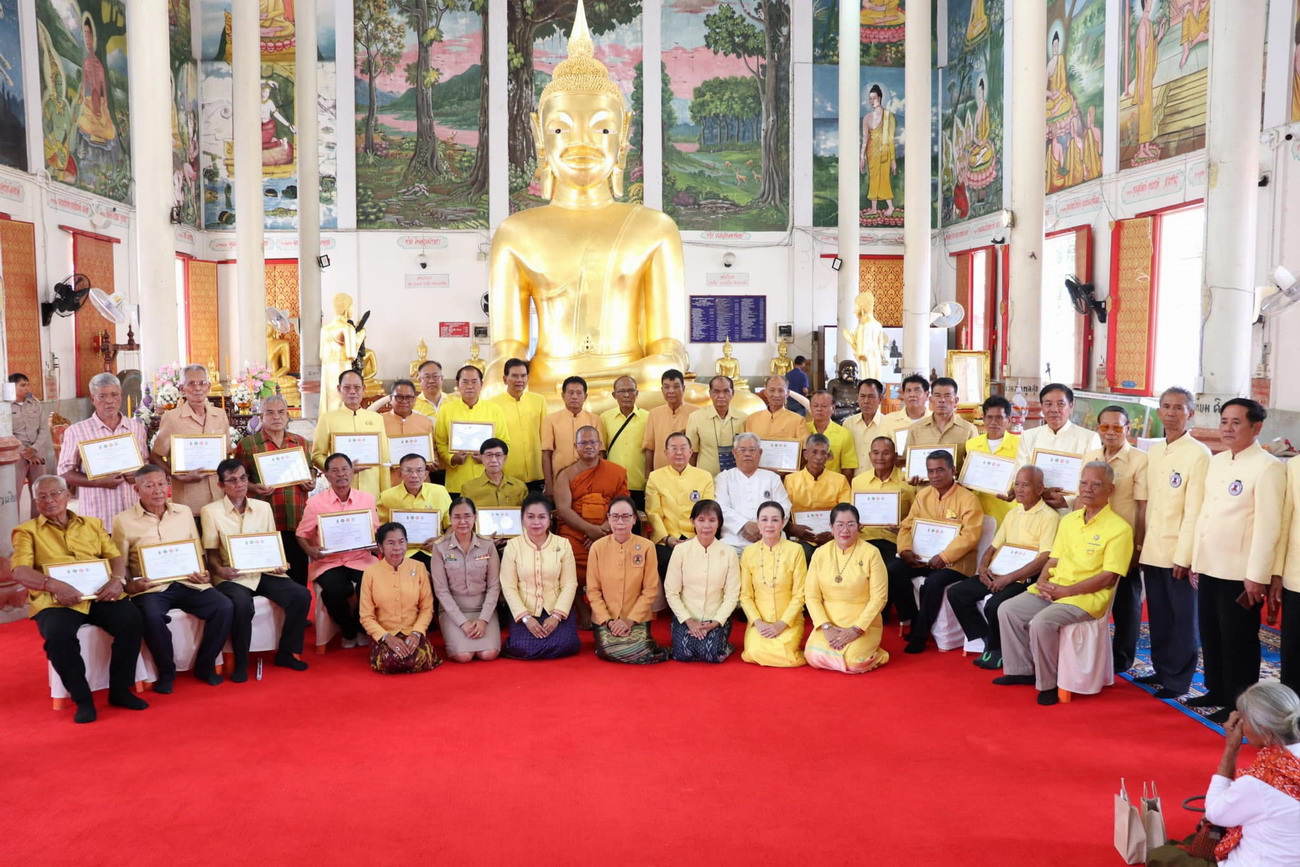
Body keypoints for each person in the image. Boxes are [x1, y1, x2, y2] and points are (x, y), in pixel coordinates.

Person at [994, 462, 1134, 706]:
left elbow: (1108, 577)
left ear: (1110, 490)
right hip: (1054, 589)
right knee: (1008, 609)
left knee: (1042, 622)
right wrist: (1042, 581)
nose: (1087, 489)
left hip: (1085, 597)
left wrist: (1066, 591)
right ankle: (1023, 670)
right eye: (1083, 483)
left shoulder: (1119, 529)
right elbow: (1053, 559)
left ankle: (1048, 682)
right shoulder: (1069, 521)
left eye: (1096, 484)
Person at [11, 475, 147, 723]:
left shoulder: (92, 524)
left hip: (98, 592)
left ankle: (120, 690)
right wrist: (52, 584)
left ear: (68, 495)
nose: (49, 500)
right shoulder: (26, 532)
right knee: (58, 636)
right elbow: (19, 570)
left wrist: (117, 579)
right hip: (55, 600)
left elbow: (114, 556)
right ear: (35, 501)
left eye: (54, 494)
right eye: (42, 497)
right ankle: (82, 698)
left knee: (131, 619)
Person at [1190, 399, 1286, 723]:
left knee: (1239, 641)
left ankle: (1240, 704)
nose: (1227, 429)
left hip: (1240, 571)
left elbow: (1268, 526)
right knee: (1212, 633)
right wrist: (1195, 559)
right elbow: (1205, 514)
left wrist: (1256, 575)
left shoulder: (1268, 466)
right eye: (1224, 421)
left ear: (1256, 428)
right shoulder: (1218, 462)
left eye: (1235, 423)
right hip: (1210, 563)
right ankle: (1216, 689)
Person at [117, 465, 233, 692]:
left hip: (187, 581)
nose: (158, 490)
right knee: (150, 615)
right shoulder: (123, 521)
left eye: (161, 484)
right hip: (151, 587)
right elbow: (119, 563)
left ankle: (205, 665)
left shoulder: (184, 512)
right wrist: (131, 587)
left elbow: (197, 551)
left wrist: (203, 573)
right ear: (136, 489)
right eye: (149, 486)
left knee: (224, 606)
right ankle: (167, 671)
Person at [200, 459, 310, 681]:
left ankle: (286, 652)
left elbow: (270, 544)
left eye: (243, 478)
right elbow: (210, 553)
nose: (239, 484)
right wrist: (221, 571)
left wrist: (279, 563)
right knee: (241, 604)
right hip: (232, 576)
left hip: (263, 572)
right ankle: (242, 662)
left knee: (301, 594)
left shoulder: (263, 507)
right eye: (232, 480)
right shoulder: (210, 511)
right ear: (220, 485)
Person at [949, 466, 1060, 670]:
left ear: (1039, 488)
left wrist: (1008, 579)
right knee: (957, 593)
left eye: (1025, 485)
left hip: (1026, 577)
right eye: (1016, 484)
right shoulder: (1013, 513)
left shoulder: (1050, 517)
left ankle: (997, 649)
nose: (1019, 489)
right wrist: (982, 568)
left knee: (995, 605)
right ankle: (988, 640)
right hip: (999, 572)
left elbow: (1045, 557)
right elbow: (993, 546)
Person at [1140, 387, 1211, 698]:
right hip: (1153, 548)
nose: (1171, 413)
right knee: (1159, 614)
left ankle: (1179, 679)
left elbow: (1195, 511)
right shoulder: (1154, 450)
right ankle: (1161, 668)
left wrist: (1185, 556)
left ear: (1190, 414)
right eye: (1165, 406)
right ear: (1158, 412)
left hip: (1178, 552)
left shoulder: (1198, 454)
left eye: (1178, 408)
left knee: (1183, 618)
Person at [892, 451, 983, 653]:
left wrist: (944, 557)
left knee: (934, 582)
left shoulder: (968, 499)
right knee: (894, 570)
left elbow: (970, 536)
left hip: (956, 563)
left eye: (940, 470)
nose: (934, 476)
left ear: (953, 470)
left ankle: (920, 635)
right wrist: (905, 549)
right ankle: (913, 617)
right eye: (930, 471)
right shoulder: (923, 495)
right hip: (923, 558)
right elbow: (906, 526)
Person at [1199, 682, 1300, 866]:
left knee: (1166, 855)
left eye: (1244, 720)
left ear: (1266, 731)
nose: (1241, 726)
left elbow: (1214, 814)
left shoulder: (1260, 782)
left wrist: (1231, 748)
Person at [1083, 405, 1148, 675]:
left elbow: (1143, 506)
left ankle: (1122, 658)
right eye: (1105, 427)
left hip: (1124, 542)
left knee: (1126, 603)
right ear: (1098, 428)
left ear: (1127, 429)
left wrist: (1138, 546)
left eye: (1117, 427)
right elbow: (1082, 496)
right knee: (1088, 595)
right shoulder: (1090, 455)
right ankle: (1090, 652)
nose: (1111, 432)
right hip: (1092, 539)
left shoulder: (1139, 460)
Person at [296, 453, 380, 649]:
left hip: (360, 558)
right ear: (326, 476)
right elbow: (301, 533)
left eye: (344, 469)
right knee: (336, 590)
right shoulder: (315, 503)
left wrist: (376, 544)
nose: (340, 474)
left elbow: (376, 531)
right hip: (329, 561)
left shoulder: (367, 499)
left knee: (370, 585)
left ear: (352, 472)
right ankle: (347, 629)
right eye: (334, 470)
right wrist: (310, 550)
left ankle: (361, 627)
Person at [234, 394, 315, 586]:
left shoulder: (300, 442)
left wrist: (310, 480)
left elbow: (310, 468)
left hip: (296, 517)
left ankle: (299, 615)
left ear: (288, 416)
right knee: (270, 576)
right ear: (261, 417)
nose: (276, 417)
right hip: (265, 520)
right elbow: (237, 480)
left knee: (299, 573)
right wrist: (254, 487)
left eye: (281, 412)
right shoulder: (248, 445)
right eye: (270, 413)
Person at [554, 424, 629, 625]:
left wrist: (603, 531)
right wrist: (590, 531)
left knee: (614, 565)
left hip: (609, 531)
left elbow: (622, 506)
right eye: (583, 443)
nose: (588, 446)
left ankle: (607, 608)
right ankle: (581, 608)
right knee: (567, 564)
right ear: (575, 446)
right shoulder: (566, 474)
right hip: (575, 532)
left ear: (600, 445)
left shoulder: (616, 472)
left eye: (593, 442)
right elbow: (563, 509)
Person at [804, 503, 890, 674]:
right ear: (831, 527)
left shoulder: (871, 553)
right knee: (812, 656)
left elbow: (879, 598)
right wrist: (825, 627)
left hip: (862, 621)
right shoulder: (820, 553)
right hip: (830, 621)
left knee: (854, 662)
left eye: (851, 524)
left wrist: (856, 629)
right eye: (840, 524)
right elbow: (811, 596)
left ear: (859, 526)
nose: (845, 530)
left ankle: (878, 654)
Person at [57, 372, 148, 529]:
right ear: (92, 399)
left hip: (133, 513)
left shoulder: (136, 428)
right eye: (102, 396)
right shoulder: (77, 431)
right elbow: (64, 472)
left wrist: (139, 475)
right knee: (101, 553)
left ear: (121, 395)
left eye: (114, 395)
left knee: (133, 553)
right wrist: (97, 482)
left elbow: (145, 462)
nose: (109, 401)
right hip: (98, 515)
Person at [586, 495, 667, 664]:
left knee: (640, 650)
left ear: (634, 519)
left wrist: (629, 621)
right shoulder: (597, 547)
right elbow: (593, 591)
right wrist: (609, 621)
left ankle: (646, 648)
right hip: (606, 619)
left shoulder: (647, 547)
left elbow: (650, 589)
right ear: (608, 518)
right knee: (608, 649)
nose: (620, 522)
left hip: (636, 618)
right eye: (615, 516)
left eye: (626, 517)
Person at [499, 493, 580, 659]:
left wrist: (556, 617)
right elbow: (508, 586)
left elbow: (570, 584)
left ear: (550, 519)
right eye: (530, 517)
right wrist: (526, 618)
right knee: (521, 647)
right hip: (526, 610)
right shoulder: (513, 546)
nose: (536, 522)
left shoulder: (563, 545)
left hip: (555, 608)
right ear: (522, 519)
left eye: (542, 517)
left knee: (567, 644)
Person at [664, 499, 740, 663]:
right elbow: (671, 592)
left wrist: (716, 621)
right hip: (686, 617)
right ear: (692, 522)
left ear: (719, 523)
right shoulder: (681, 550)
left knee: (711, 653)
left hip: (715, 618)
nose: (706, 526)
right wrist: (689, 621)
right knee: (682, 653)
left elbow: (732, 595)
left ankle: (724, 644)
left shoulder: (729, 552)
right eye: (701, 520)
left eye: (712, 520)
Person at [359, 523, 440, 675]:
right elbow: (366, 616)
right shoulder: (370, 573)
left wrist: (416, 633)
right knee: (391, 661)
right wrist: (387, 637)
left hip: (413, 630)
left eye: (401, 542)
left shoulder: (419, 567)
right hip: (385, 633)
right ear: (380, 547)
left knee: (422, 658)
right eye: (390, 543)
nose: (397, 548)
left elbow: (427, 608)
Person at [151, 364, 230, 517]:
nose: (197, 388)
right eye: (191, 383)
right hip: (189, 500)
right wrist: (177, 475)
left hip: (219, 498)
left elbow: (226, 453)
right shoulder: (172, 418)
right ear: (182, 388)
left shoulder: (220, 415)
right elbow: (155, 455)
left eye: (202, 383)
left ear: (208, 387)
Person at [430, 498, 502, 662]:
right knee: (464, 656)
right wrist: (462, 623)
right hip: (453, 611)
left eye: (467, 516)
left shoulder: (487, 545)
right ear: (450, 518)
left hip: (483, 609)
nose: (462, 521)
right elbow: (441, 590)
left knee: (488, 653)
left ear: (475, 517)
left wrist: (483, 620)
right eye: (457, 517)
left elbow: (494, 586)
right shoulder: (440, 547)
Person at [739, 501, 807, 667]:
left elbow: (800, 594)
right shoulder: (749, 552)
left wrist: (781, 624)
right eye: (764, 519)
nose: (769, 525)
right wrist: (757, 622)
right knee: (753, 653)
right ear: (758, 522)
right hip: (760, 622)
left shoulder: (796, 550)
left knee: (788, 656)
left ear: (783, 523)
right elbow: (745, 595)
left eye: (775, 520)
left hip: (788, 621)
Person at [1014, 384, 1101, 507]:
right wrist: (1041, 493)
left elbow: (1093, 481)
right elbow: (1020, 474)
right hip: (1035, 508)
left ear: (1071, 406)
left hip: (1072, 511)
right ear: (1042, 407)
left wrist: (1067, 501)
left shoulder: (1089, 438)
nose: (1054, 409)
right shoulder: (1028, 436)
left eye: (1061, 404)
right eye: (1048, 404)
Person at [646, 432, 715, 581]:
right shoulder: (655, 477)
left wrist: (698, 537)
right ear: (665, 453)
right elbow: (653, 513)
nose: (678, 453)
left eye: (683, 448)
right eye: (673, 448)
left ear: (690, 452)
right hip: (668, 538)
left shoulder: (704, 476)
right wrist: (666, 538)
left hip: (697, 537)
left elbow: (708, 512)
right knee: (666, 562)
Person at [434, 365, 510, 496]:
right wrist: (452, 458)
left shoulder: (494, 410)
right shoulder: (446, 410)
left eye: (474, 382)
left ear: (481, 384)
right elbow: (440, 442)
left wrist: (488, 458)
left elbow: (504, 443)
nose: (470, 386)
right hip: (457, 481)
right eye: (465, 382)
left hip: (488, 480)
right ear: (457, 384)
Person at [312, 369, 389, 499]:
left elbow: (384, 460)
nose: (352, 392)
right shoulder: (327, 418)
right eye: (347, 388)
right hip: (341, 489)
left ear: (364, 389)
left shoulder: (376, 419)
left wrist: (386, 494)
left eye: (357, 387)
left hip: (372, 489)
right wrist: (340, 469)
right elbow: (317, 455)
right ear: (339, 389)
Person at [715, 432, 792, 555]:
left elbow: (784, 507)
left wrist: (764, 528)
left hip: (770, 541)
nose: (747, 454)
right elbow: (720, 508)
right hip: (734, 543)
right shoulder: (724, 477)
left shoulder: (772, 478)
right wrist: (744, 525)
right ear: (734, 453)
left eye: (752, 450)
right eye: (742, 450)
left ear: (760, 453)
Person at [784, 433, 852, 562]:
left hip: (833, 537)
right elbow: (784, 512)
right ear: (805, 454)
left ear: (828, 456)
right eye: (814, 452)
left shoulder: (839, 480)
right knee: (801, 554)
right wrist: (792, 528)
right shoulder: (791, 480)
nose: (819, 457)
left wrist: (833, 534)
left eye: (823, 453)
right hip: (801, 538)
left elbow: (846, 512)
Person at [377, 453, 452, 570]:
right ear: (400, 474)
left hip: (435, 550)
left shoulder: (440, 492)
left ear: (426, 473)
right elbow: (380, 529)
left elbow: (451, 525)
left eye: (419, 470)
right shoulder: (387, 497)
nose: (414, 475)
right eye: (408, 471)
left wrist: (441, 540)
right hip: (402, 553)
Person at [852, 435, 915, 564]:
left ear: (895, 456)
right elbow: (851, 514)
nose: (880, 458)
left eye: (886, 453)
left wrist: (904, 529)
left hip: (895, 541)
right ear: (870, 456)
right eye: (875, 453)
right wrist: (854, 524)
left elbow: (917, 516)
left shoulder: (908, 481)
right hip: (865, 540)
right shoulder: (858, 481)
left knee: (890, 571)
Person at [488, 358, 545, 491]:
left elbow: (545, 437)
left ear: (528, 378)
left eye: (523, 376)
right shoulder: (493, 405)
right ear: (504, 379)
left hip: (536, 472)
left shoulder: (539, 401)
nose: (519, 380)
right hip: (508, 473)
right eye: (514, 376)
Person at [904, 377, 978, 478]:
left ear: (955, 400)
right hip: (924, 490)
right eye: (937, 396)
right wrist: (911, 476)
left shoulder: (969, 430)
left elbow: (974, 466)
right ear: (930, 399)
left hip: (955, 490)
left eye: (947, 396)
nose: (942, 400)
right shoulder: (915, 429)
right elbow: (908, 461)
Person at [963, 395, 1020, 526]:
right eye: (989, 417)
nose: (994, 422)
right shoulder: (971, 444)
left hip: (1007, 510)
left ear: (1008, 420)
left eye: (999, 417)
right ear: (983, 419)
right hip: (977, 510)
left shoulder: (1020, 445)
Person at [541, 376, 600, 493]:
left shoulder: (595, 419)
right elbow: (546, 454)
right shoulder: (550, 420)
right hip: (559, 480)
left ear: (585, 396)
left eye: (579, 393)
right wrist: (549, 484)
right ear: (563, 396)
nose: (574, 397)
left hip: (589, 480)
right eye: (570, 393)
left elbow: (600, 453)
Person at [601, 375, 650, 510]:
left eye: (631, 390)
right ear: (614, 395)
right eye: (621, 391)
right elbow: (602, 452)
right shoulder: (605, 418)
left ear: (637, 393)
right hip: (612, 484)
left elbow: (651, 451)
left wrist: (648, 481)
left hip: (639, 483)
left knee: (638, 525)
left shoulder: (648, 417)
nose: (627, 395)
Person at [686, 375, 749, 476]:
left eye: (726, 391)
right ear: (710, 393)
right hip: (707, 479)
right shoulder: (696, 418)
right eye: (716, 391)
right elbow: (692, 454)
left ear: (733, 393)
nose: (721, 396)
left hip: (737, 479)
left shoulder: (744, 418)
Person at [642, 368, 698, 478]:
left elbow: (698, 450)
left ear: (684, 388)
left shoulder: (696, 413)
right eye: (667, 387)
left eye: (676, 387)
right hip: (660, 476)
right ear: (662, 390)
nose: (671, 391)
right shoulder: (654, 414)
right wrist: (647, 478)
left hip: (688, 476)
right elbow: (649, 448)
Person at [382, 379, 435, 489]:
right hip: (390, 484)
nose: (404, 401)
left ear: (414, 399)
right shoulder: (379, 421)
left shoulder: (425, 422)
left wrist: (433, 461)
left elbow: (433, 452)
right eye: (399, 397)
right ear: (391, 398)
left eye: (409, 397)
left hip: (421, 485)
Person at [9, 372, 47, 519]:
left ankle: (38, 525)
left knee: (40, 493)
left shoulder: (36, 404)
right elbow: (7, 433)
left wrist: (34, 449)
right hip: (17, 456)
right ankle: (13, 528)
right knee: (14, 493)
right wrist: (24, 452)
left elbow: (43, 429)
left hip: (38, 454)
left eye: (27, 384)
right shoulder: (4, 407)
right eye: (22, 385)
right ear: (12, 387)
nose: (27, 388)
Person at [460, 438, 528, 508]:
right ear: (482, 458)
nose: (494, 460)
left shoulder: (520, 487)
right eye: (489, 455)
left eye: (498, 455)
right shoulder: (469, 488)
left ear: (505, 459)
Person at [807, 390, 858, 480]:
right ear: (810, 408)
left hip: (833, 486)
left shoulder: (844, 434)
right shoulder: (803, 429)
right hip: (805, 485)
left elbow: (848, 468)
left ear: (833, 408)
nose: (819, 409)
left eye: (824, 406)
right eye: (815, 406)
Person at [843, 378, 888, 470]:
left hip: (878, 481)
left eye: (871, 396)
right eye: (862, 396)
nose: (866, 401)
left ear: (880, 399)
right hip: (853, 480)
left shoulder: (888, 423)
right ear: (857, 397)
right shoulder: (848, 423)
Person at [745, 376, 806, 441]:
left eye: (781, 391)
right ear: (765, 392)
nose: (776, 395)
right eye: (772, 390)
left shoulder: (799, 421)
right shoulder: (752, 419)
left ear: (787, 393)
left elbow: (804, 448)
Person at [882, 374, 931, 440]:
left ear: (927, 395)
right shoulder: (888, 420)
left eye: (917, 390)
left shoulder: (935, 419)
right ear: (903, 395)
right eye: (908, 391)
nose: (912, 395)